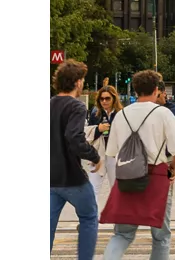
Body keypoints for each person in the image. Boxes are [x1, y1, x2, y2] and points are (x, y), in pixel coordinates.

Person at [102, 70, 175, 260]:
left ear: (135, 90)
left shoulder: (121, 114)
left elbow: (111, 152)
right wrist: (172, 167)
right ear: (157, 90)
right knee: (160, 236)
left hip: (127, 177)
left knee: (122, 234)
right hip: (156, 176)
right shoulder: (163, 113)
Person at [50, 60, 102, 260]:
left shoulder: (48, 104)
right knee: (89, 217)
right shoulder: (76, 107)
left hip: (49, 178)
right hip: (72, 177)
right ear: (77, 82)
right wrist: (94, 156)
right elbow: (74, 138)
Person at [87, 85, 123, 202]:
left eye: (107, 98)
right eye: (101, 99)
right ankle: (93, 219)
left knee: (117, 188)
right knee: (93, 189)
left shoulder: (121, 114)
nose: (104, 101)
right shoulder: (95, 114)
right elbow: (89, 135)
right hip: (99, 154)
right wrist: (99, 129)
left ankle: (120, 217)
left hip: (115, 155)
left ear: (114, 99)